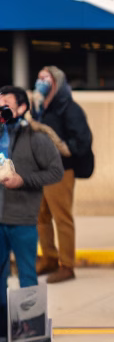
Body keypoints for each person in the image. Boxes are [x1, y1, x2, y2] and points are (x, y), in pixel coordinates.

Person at [31, 65, 93, 284]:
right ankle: (49, 258)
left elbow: (83, 140)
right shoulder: (38, 108)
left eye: (46, 78)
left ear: (56, 82)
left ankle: (67, 265)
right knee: (41, 216)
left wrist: (64, 148)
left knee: (61, 217)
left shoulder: (69, 108)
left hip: (60, 169)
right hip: (40, 170)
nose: (41, 82)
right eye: (39, 78)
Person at [0, 86, 65, 290]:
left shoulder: (37, 137)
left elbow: (56, 172)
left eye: (6, 107)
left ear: (22, 108)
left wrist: (23, 180)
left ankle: (29, 323)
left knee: (27, 278)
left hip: (23, 221)